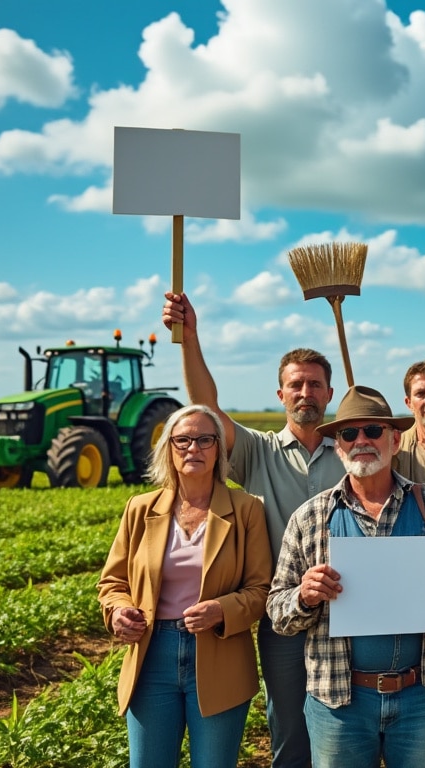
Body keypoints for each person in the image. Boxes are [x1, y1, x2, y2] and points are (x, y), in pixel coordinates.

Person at [163, 291, 344, 768]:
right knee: (288, 726)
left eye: (315, 384)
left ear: (330, 394)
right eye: (295, 385)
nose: (305, 393)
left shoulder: (354, 450)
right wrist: (190, 339)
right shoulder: (257, 451)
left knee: (346, 728)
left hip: (349, 607)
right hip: (282, 613)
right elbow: (205, 407)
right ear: (280, 395)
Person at [267, 385, 425, 768]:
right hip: (339, 700)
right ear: (338, 447)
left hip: (424, 696)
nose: (361, 441)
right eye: (348, 434)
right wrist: (304, 596)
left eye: (373, 430)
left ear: (395, 440)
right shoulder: (309, 518)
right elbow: (277, 610)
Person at [98, 404, 272, 768]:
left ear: (219, 449)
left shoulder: (246, 509)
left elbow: (261, 590)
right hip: (152, 654)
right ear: (168, 448)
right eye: (183, 440)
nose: (194, 448)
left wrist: (221, 610)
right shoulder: (140, 508)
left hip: (220, 653)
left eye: (205, 440)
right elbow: (113, 581)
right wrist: (118, 611)